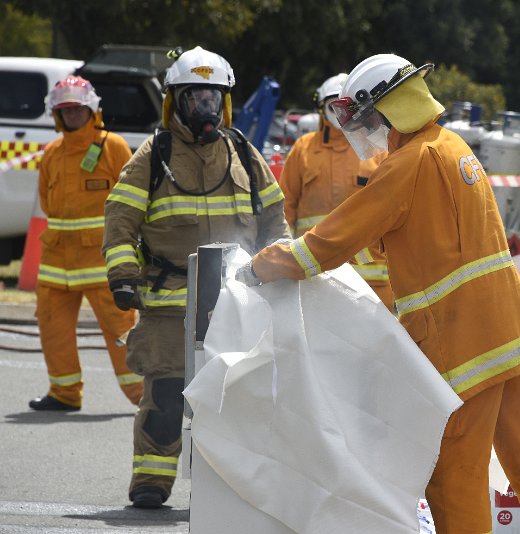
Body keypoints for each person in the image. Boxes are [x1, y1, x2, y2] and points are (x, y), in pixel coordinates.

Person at [238, 53, 520, 534]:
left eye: (364, 117)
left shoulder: (410, 162)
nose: (362, 129)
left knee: (453, 475)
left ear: (387, 110)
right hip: (513, 333)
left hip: (465, 346)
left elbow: (330, 241)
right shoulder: (449, 146)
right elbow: (412, 242)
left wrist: (260, 266)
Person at [102, 46, 290, 509]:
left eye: (212, 98)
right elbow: (120, 216)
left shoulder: (243, 153)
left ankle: (233, 492)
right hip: (170, 306)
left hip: (235, 302)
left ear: (223, 103)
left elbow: (275, 220)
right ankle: (152, 482)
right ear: (175, 103)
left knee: (237, 399)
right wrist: (123, 276)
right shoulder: (154, 154)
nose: (204, 108)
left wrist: (285, 271)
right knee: (165, 396)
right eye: (193, 98)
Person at [29, 75, 142, 412]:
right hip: (56, 262)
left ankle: (145, 397)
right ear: (57, 115)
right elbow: (47, 203)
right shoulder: (52, 152)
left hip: (101, 262)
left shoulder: (114, 146)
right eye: (66, 111)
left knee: (121, 331)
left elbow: (131, 201)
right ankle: (64, 393)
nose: (73, 116)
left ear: (92, 111)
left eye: (78, 110)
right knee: (53, 328)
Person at [281, 73, 393, 310]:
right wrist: (284, 261)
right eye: (334, 105)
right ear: (320, 108)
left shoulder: (378, 149)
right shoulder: (303, 149)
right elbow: (285, 207)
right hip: (314, 276)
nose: (341, 113)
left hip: (371, 283)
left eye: (349, 105)